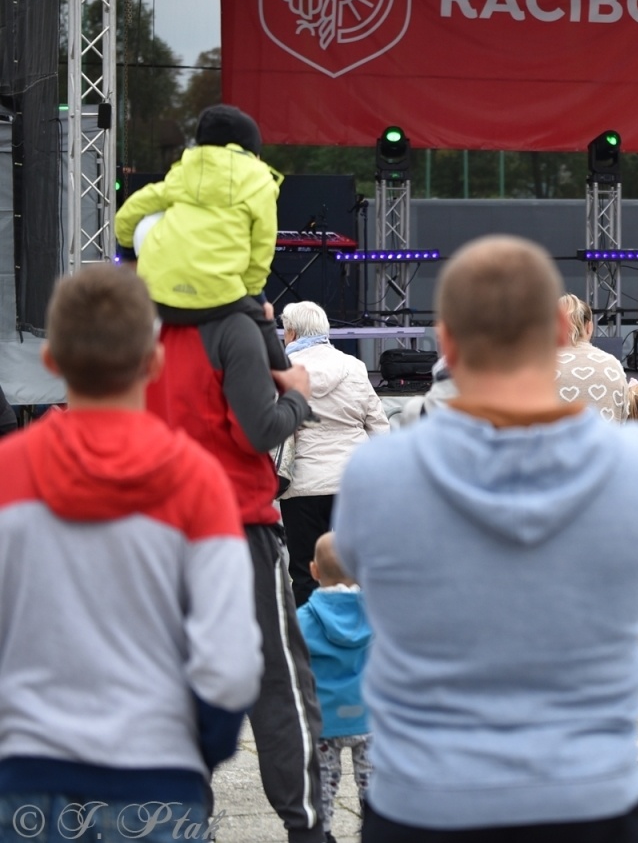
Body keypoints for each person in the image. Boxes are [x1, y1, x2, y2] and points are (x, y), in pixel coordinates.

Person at [334, 235, 638, 839]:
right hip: (588, 794)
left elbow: (359, 575)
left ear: (444, 340)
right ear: (558, 330)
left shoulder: (378, 472)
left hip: (423, 795)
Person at [0, 266, 260, 839]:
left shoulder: (7, 476)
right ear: (154, 362)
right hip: (157, 776)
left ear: (50, 363)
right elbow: (232, 661)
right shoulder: (198, 483)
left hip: (23, 778)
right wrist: (199, 749)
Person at [141, 197, 322, 842]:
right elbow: (259, 430)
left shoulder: (139, 329)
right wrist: (298, 396)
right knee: (277, 682)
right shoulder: (232, 329)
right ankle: (306, 828)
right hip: (236, 525)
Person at [113, 103, 290, 370]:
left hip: (159, 296)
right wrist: (254, 295)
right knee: (265, 327)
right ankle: (295, 395)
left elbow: (127, 215)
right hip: (218, 298)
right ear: (253, 152)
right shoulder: (260, 182)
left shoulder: (182, 175)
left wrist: (129, 255)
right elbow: (262, 247)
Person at [279, 300, 390, 607]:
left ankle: (313, 644)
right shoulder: (353, 367)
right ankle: (357, 639)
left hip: (302, 484)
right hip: (352, 482)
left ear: (291, 332)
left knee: (304, 571)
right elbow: (379, 427)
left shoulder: (282, 373)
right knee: (353, 566)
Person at [296, 533, 373, 839]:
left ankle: (323, 833)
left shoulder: (303, 618)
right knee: (373, 787)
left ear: (314, 571)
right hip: (368, 719)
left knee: (323, 786)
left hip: (324, 721)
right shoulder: (376, 613)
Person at [556, 294, 630, 422]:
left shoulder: (540, 368)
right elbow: (623, 415)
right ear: (589, 327)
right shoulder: (612, 365)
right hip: (604, 442)